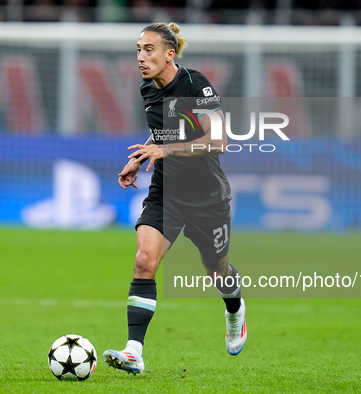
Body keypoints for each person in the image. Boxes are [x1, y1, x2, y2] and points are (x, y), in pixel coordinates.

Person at [103, 22, 247, 376]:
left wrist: (166, 149)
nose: (140, 57)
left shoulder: (198, 85)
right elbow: (160, 135)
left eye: (148, 49)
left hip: (208, 198)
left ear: (170, 54)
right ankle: (134, 351)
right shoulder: (147, 90)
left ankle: (235, 310)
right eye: (138, 49)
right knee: (144, 260)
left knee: (217, 269)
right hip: (167, 193)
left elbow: (219, 142)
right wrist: (137, 160)